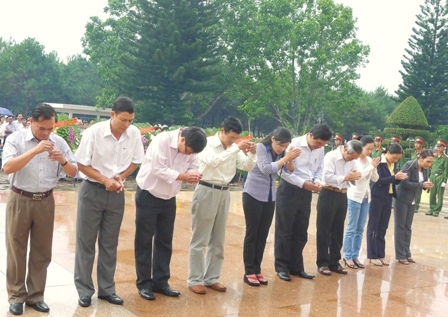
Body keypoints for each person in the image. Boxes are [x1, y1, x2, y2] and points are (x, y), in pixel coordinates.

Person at [2, 103, 77, 315]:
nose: (46, 133)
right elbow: (7, 167)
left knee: (42, 250)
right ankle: (16, 296)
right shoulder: (15, 140)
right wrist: (35, 150)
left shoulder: (58, 142)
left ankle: (36, 296)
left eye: (50, 129)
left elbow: (73, 172)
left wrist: (62, 160)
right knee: (16, 249)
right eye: (41, 128)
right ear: (31, 122)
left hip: (46, 200)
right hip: (20, 198)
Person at [74, 96, 144, 308]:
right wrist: (104, 180)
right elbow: (81, 164)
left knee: (109, 243)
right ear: (111, 114)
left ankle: (107, 289)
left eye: (130, 121)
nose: (126, 125)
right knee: (86, 242)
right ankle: (85, 290)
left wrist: (121, 177)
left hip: (116, 194)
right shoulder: (93, 132)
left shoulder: (134, 134)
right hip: (92, 191)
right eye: (123, 120)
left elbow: (136, 161)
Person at [134, 127, 207, 300]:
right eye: (188, 151)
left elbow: (193, 165)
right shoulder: (162, 140)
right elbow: (157, 169)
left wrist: (194, 174)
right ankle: (144, 283)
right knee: (144, 240)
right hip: (148, 194)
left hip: (169, 198)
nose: (189, 155)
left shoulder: (192, 148)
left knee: (165, 241)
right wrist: (184, 176)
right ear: (182, 140)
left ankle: (161, 282)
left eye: (192, 153)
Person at [188, 116, 257, 295]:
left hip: (224, 192)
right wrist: (235, 149)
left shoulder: (233, 148)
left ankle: (212, 277)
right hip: (206, 190)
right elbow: (214, 162)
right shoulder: (207, 143)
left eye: (236, 138)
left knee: (218, 238)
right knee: (200, 238)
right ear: (222, 130)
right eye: (231, 137)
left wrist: (252, 152)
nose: (233, 141)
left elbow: (247, 166)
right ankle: (195, 279)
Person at [242, 127, 301, 286]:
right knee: (252, 233)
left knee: (262, 235)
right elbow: (266, 169)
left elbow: (289, 171)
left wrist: (289, 158)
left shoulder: (282, 153)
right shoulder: (261, 147)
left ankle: (257, 269)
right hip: (253, 194)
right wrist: (284, 158)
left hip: (269, 196)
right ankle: (249, 271)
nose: (281, 148)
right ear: (273, 139)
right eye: (280, 145)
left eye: (285, 146)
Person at [275, 124, 332, 282]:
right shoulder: (293, 145)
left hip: (306, 191)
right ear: (311, 135)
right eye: (319, 143)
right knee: (284, 230)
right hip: (289, 190)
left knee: (301, 231)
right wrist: (303, 183)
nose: (320, 146)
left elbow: (319, 168)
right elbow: (284, 172)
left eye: (323, 145)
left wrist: (317, 181)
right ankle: (282, 267)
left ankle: (297, 267)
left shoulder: (320, 149)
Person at [315, 140, 363, 276]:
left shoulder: (353, 160)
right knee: (324, 230)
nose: (352, 160)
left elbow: (353, 177)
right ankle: (323, 262)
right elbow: (327, 177)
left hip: (342, 195)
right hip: (328, 192)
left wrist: (354, 177)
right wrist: (347, 177)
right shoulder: (331, 156)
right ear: (344, 150)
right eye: (350, 157)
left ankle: (334, 261)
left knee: (338, 230)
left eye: (354, 159)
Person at [366, 144, 408, 266]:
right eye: (394, 157)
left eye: (398, 159)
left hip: (388, 197)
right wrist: (394, 177)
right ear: (388, 153)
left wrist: (399, 177)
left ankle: (380, 254)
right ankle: (372, 255)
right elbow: (378, 181)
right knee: (373, 226)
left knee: (383, 227)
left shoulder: (392, 164)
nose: (396, 160)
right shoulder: (379, 162)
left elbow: (392, 180)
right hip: (377, 197)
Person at [343, 136, 380, 269]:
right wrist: (370, 167)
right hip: (354, 196)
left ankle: (355, 255)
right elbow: (358, 177)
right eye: (368, 148)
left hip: (366, 197)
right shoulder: (355, 161)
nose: (370, 151)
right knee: (351, 227)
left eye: (371, 149)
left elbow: (375, 179)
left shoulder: (370, 160)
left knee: (360, 228)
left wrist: (374, 168)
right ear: (361, 146)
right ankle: (347, 255)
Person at [394, 149, 434, 264]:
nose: (429, 164)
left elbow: (423, 183)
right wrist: (421, 185)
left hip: (412, 199)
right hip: (401, 198)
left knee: (408, 227)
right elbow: (403, 182)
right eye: (428, 161)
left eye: (431, 162)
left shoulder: (425, 169)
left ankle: (407, 253)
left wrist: (426, 185)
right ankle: (400, 255)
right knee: (400, 226)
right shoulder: (409, 165)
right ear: (420, 158)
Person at [427, 140, 448, 217]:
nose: (438, 148)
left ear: (443, 148)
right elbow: (430, 166)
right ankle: (432, 208)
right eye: (438, 146)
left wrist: (444, 181)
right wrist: (429, 176)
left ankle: (437, 210)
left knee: (439, 195)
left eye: (440, 146)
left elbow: (446, 170)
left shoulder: (445, 158)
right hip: (433, 176)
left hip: (440, 176)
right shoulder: (434, 157)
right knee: (432, 194)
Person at [411, 137, 425, 212]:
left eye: (418, 143)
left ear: (421, 144)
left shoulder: (424, 154)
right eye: (415, 143)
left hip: (420, 172)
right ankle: (412, 204)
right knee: (412, 189)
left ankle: (416, 206)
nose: (416, 145)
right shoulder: (413, 153)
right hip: (413, 173)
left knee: (418, 191)